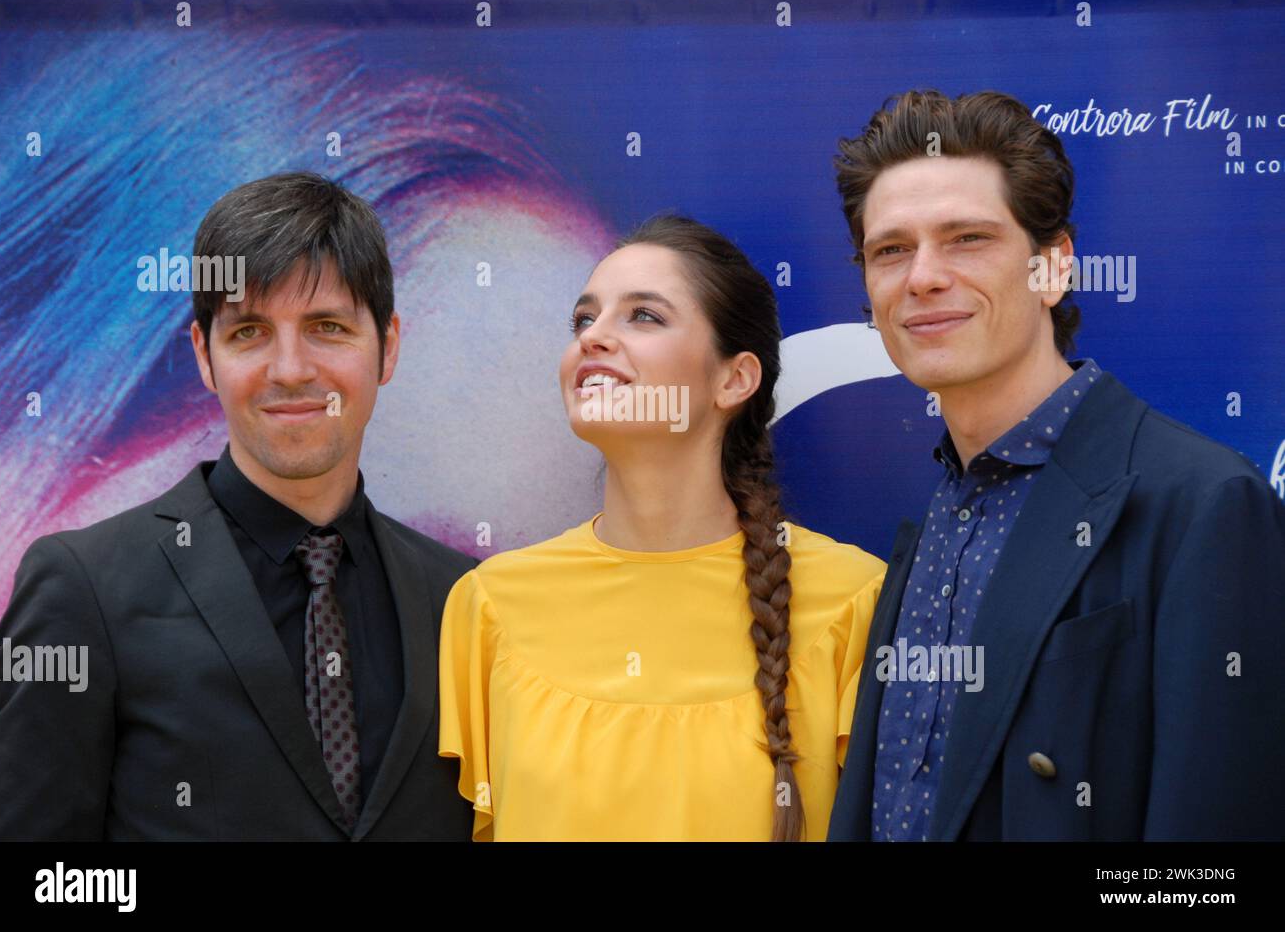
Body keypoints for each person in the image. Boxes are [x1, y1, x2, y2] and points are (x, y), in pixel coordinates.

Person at [826, 90, 1285, 841]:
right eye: (890, 250)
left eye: (967, 238)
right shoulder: (940, 514)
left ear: (1054, 266)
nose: (923, 277)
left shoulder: (1204, 503)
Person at [0, 172, 474, 840]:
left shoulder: (466, 600)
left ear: (387, 347)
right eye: (249, 333)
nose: (290, 369)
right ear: (205, 357)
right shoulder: (84, 588)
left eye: (327, 327)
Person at [438, 213, 886, 841]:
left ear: (735, 379)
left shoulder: (855, 602)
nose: (593, 337)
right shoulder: (487, 606)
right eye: (582, 319)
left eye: (643, 316)